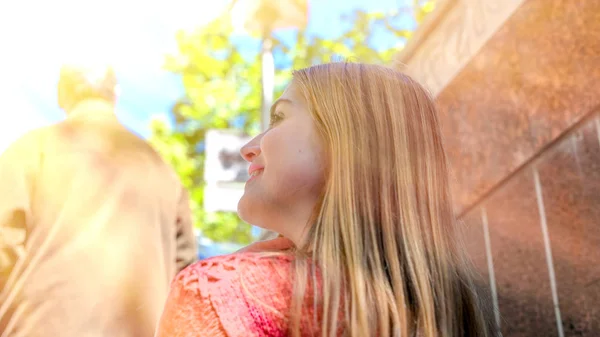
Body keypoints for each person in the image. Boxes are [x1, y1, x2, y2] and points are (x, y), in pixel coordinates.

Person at [155, 62, 497, 337]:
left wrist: (229, 282)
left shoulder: (219, 295)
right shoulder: (457, 313)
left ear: (348, 146)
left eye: (279, 117)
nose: (248, 149)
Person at [0, 64, 197, 337]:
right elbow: (184, 272)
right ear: (115, 95)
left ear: (61, 95)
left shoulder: (30, 151)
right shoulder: (161, 169)